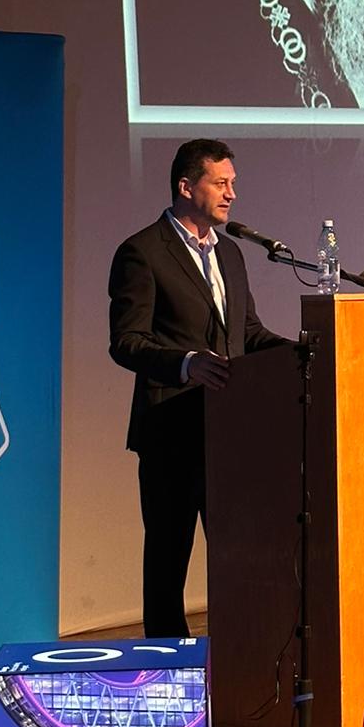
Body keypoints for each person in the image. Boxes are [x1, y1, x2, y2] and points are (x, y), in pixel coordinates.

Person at [108, 138, 291, 637]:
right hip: (170, 431)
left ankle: (241, 656)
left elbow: (247, 333)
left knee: (238, 556)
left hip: (229, 435)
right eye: (221, 183)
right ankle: (167, 666)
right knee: (168, 561)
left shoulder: (230, 253)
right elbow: (126, 342)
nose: (232, 194)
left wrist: (303, 351)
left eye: (233, 183)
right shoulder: (142, 252)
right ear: (187, 187)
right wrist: (188, 364)